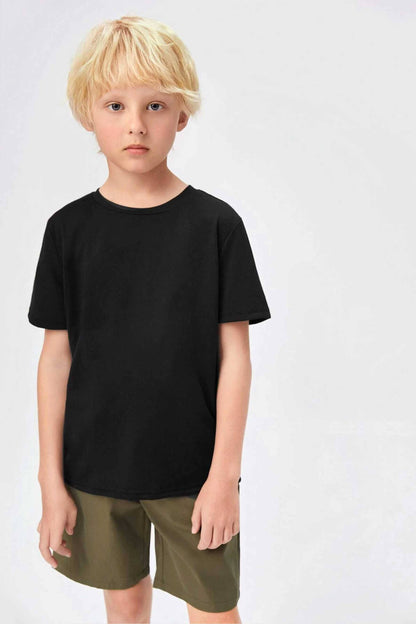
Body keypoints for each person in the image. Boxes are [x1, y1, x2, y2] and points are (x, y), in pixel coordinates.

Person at [28, 14, 271, 624]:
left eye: (155, 105)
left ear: (181, 114)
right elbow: (56, 359)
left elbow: (235, 358)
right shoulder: (67, 231)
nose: (135, 123)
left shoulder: (216, 227)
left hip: (194, 472)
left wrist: (224, 477)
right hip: (97, 467)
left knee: (214, 610)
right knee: (125, 608)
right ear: (88, 114)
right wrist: (51, 481)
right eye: (115, 105)